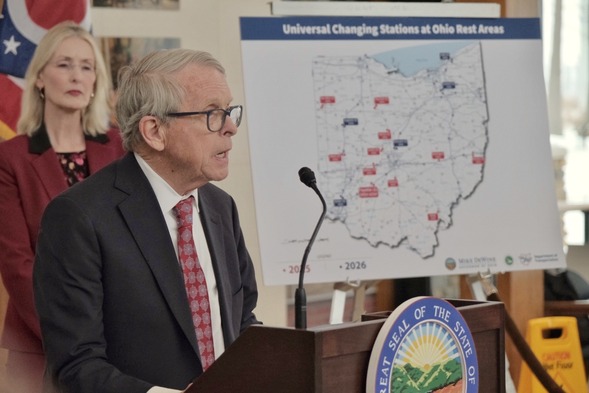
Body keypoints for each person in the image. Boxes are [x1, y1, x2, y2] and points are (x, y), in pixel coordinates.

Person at [33, 48, 260, 392]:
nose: (230, 128)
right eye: (213, 114)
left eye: (230, 112)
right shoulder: (80, 217)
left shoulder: (220, 207)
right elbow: (77, 363)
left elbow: (244, 323)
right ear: (154, 130)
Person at [0, 21, 125, 392]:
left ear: (96, 82)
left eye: (87, 67)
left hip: (121, 337)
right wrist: (71, 332)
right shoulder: (11, 157)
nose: (76, 76)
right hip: (41, 341)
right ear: (39, 78)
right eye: (64, 64)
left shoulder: (119, 149)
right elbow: (16, 262)